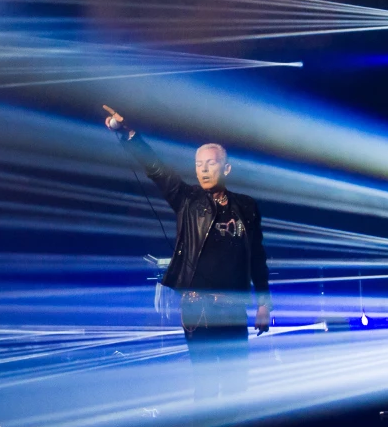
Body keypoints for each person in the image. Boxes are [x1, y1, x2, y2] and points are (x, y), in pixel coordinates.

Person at [103, 106, 272, 404]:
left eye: (211, 163)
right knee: (206, 384)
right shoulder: (187, 200)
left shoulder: (246, 207)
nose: (204, 169)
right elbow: (156, 169)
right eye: (199, 164)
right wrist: (128, 135)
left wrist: (263, 306)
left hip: (232, 307)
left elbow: (257, 258)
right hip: (198, 307)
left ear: (226, 168)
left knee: (235, 385)